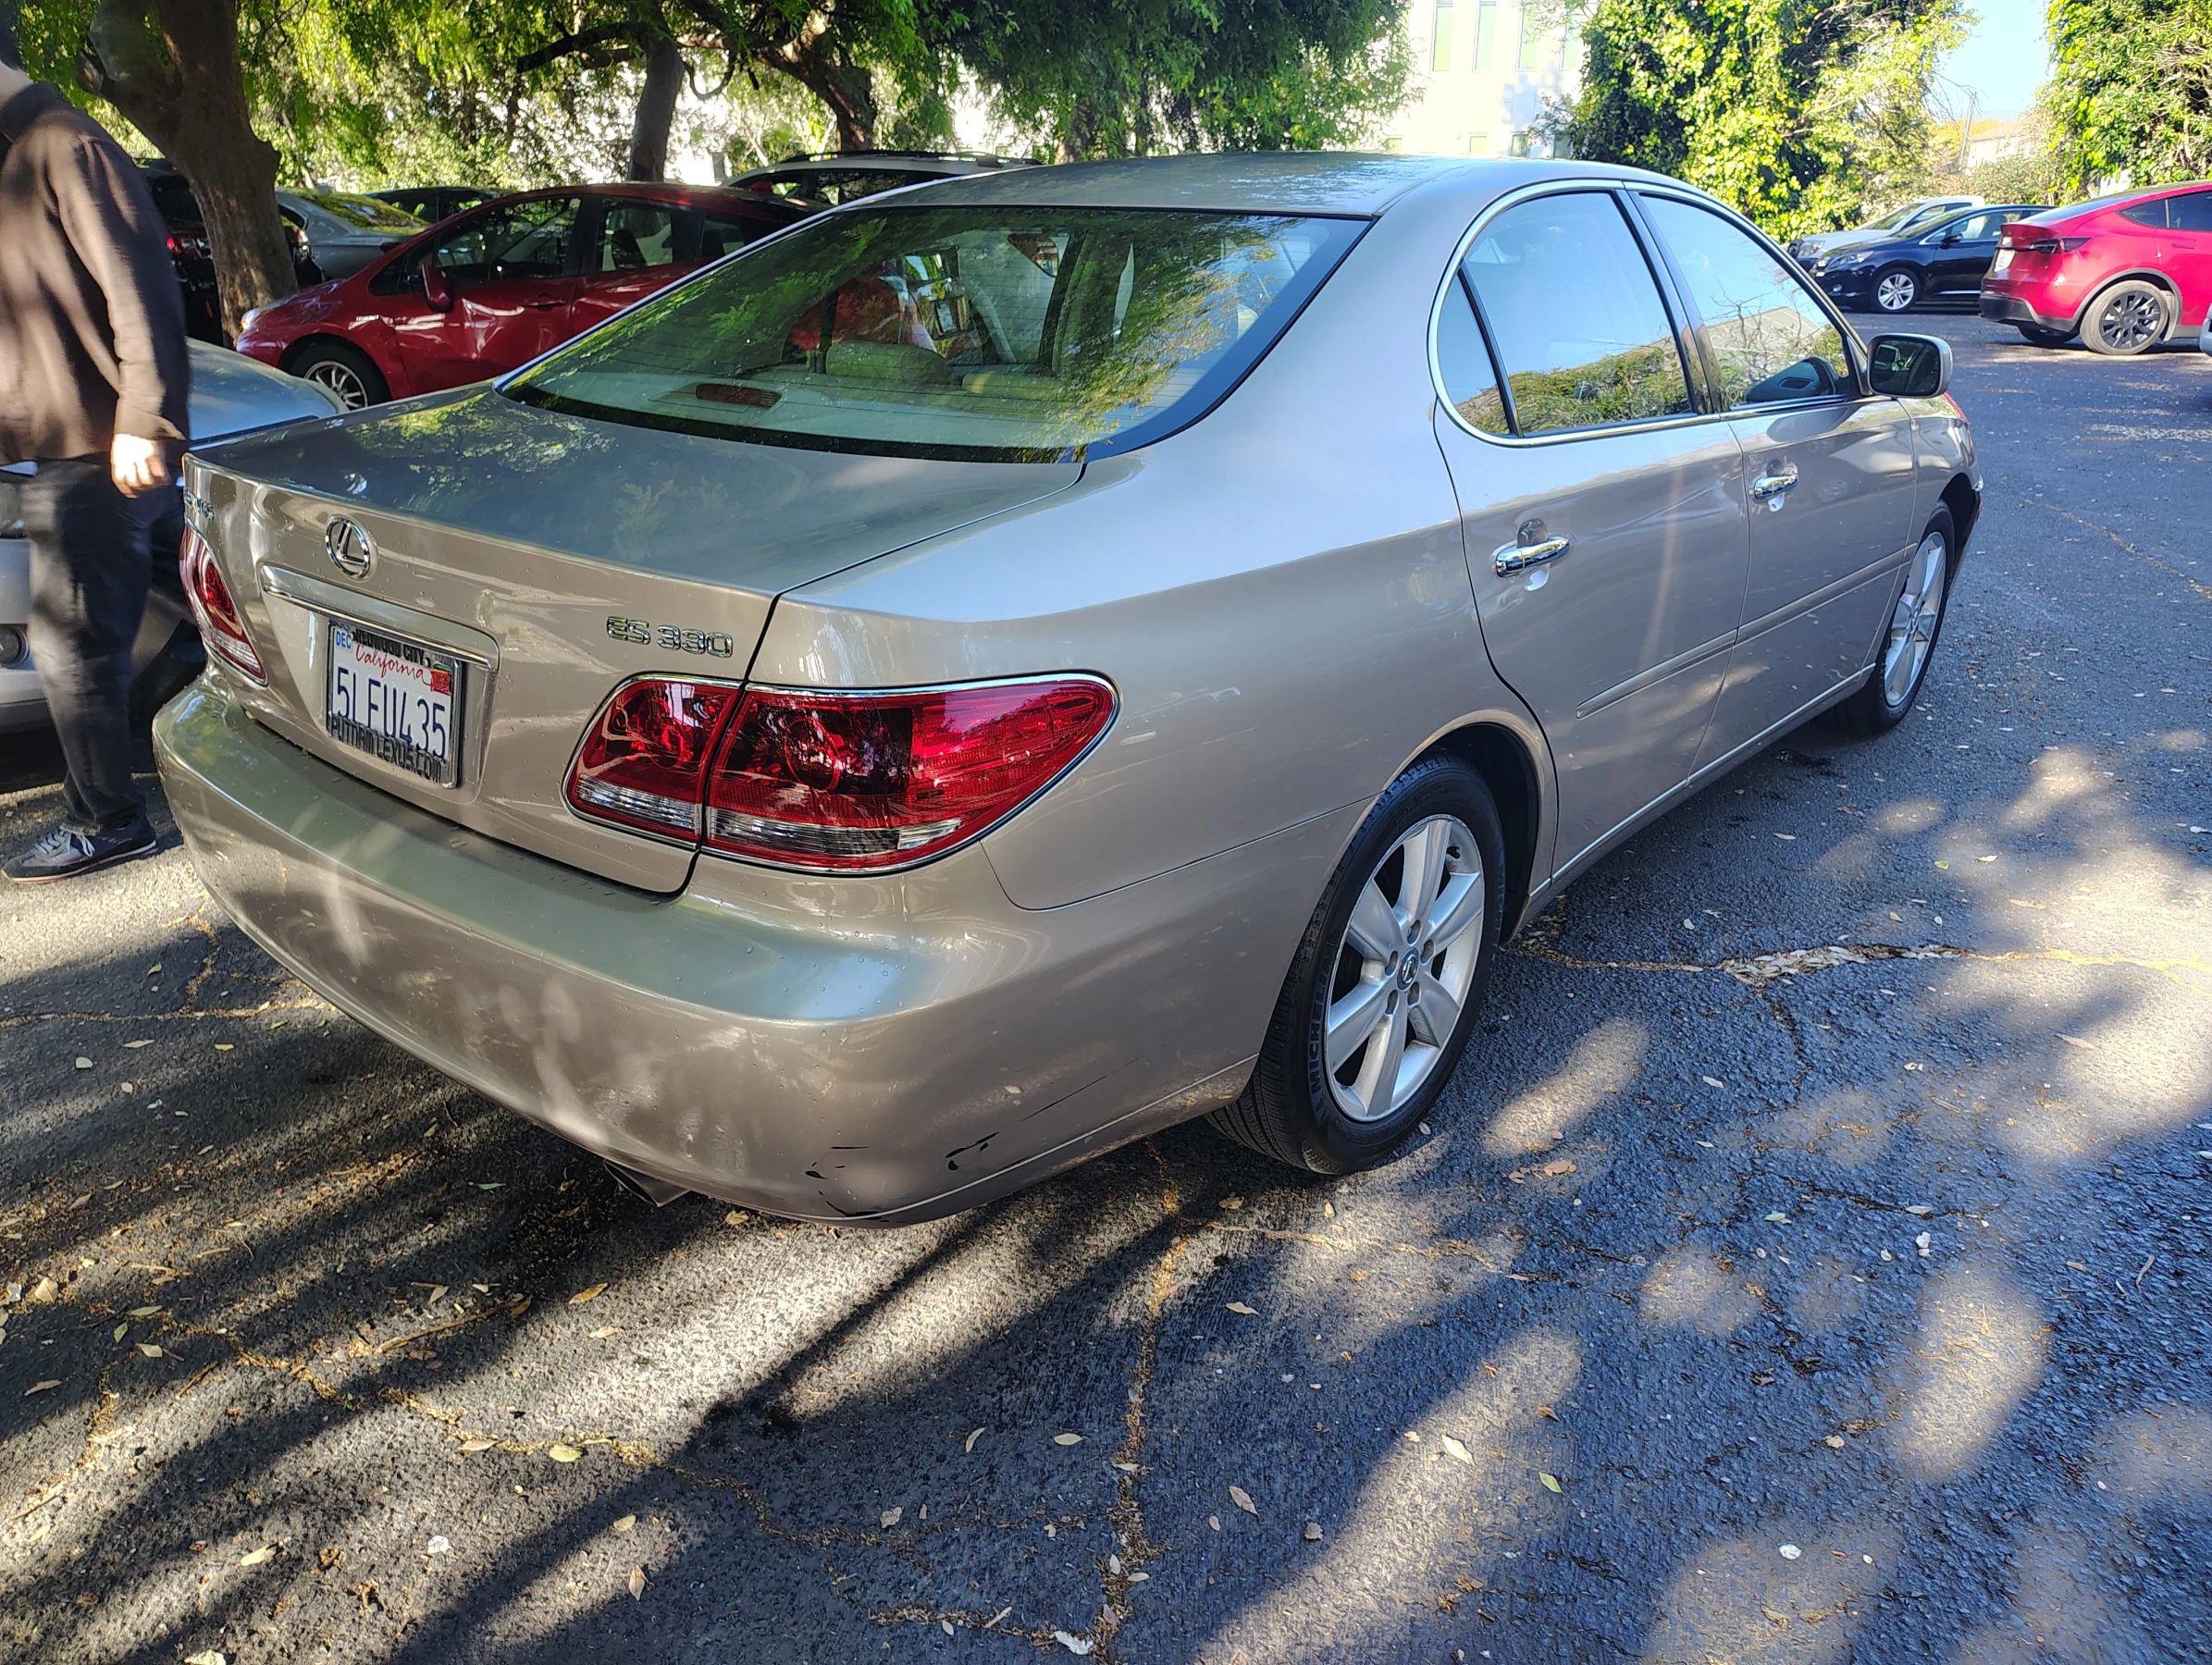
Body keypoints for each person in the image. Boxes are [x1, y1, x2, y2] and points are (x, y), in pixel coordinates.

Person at [0, 20, 190, 882]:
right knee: (195, 610)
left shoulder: (66, 144)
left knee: (71, 642)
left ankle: (106, 821)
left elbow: (140, 287)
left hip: (97, 448)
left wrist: (145, 419)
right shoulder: (18, 155)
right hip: (66, 446)